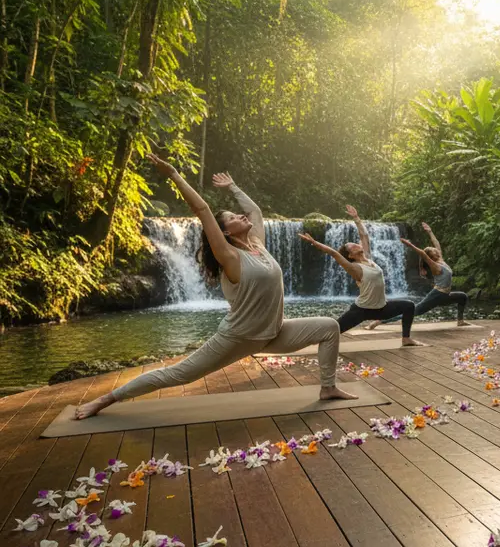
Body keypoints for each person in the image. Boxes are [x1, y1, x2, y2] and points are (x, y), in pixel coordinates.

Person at [75, 155, 354, 419]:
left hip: (274, 332)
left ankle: (327, 388)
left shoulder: (258, 245)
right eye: (233, 218)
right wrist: (173, 174)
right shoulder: (230, 257)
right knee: (177, 374)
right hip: (239, 337)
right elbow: (202, 209)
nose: (241, 217)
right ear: (225, 233)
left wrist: (233, 187)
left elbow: (254, 210)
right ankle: (105, 400)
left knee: (329, 327)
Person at [300, 205, 420, 346]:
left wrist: (356, 218)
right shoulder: (354, 268)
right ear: (350, 255)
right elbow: (334, 253)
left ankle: (406, 339)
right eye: (352, 245)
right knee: (334, 329)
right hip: (362, 310)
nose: (356, 244)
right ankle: (306, 341)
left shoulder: (368, 258)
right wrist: (314, 243)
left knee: (409, 306)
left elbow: (364, 235)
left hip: (382, 308)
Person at [367, 222, 469, 328]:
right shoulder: (435, 266)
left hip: (445, 295)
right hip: (437, 294)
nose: (436, 251)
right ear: (431, 256)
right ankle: (379, 322)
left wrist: (430, 232)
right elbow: (423, 254)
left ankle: (460, 321)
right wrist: (410, 245)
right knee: (415, 312)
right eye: (434, 251)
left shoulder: (441, 260)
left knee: (462, 297)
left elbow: (437, 243)